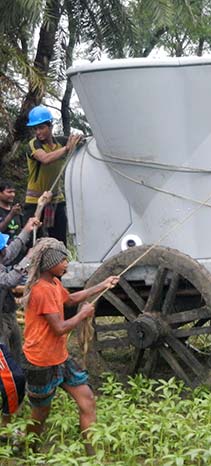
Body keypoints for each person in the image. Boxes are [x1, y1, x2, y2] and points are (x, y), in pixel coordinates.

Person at [21, 238, 118, 454]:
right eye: (63, 260)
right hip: (41, 362)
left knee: (87, 400)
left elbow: (70, 300)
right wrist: (83, 314)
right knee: (40, 413)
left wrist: (102, 285)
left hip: (60, 357)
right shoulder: (41, 290)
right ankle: (28, 449)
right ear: (49, 263)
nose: (67, 264)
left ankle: (91, 455)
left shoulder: (54, 283)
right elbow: (59, 328)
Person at [24, 105, 82, 245]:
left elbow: (77, 142)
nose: (38, 132)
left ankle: (60, 265)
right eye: (35, 129)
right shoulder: (34, 144)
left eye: (41, 127)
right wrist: (67, 148)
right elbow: (45, 159)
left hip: (56, 199)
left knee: (59, 240)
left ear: (50, 126)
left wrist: (78, 140)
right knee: (30, 241)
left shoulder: (61, 142)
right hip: (35, 202)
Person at [0, 216, 41, 362]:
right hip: (1, 319)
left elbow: (12, 249)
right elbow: (8, 280)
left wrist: (27, 229)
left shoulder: (2, 256)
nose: (7, 247)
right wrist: (28, 258)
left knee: (16, 349)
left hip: (8, 312)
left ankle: (17, 378)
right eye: (4, 245)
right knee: (4, 354)